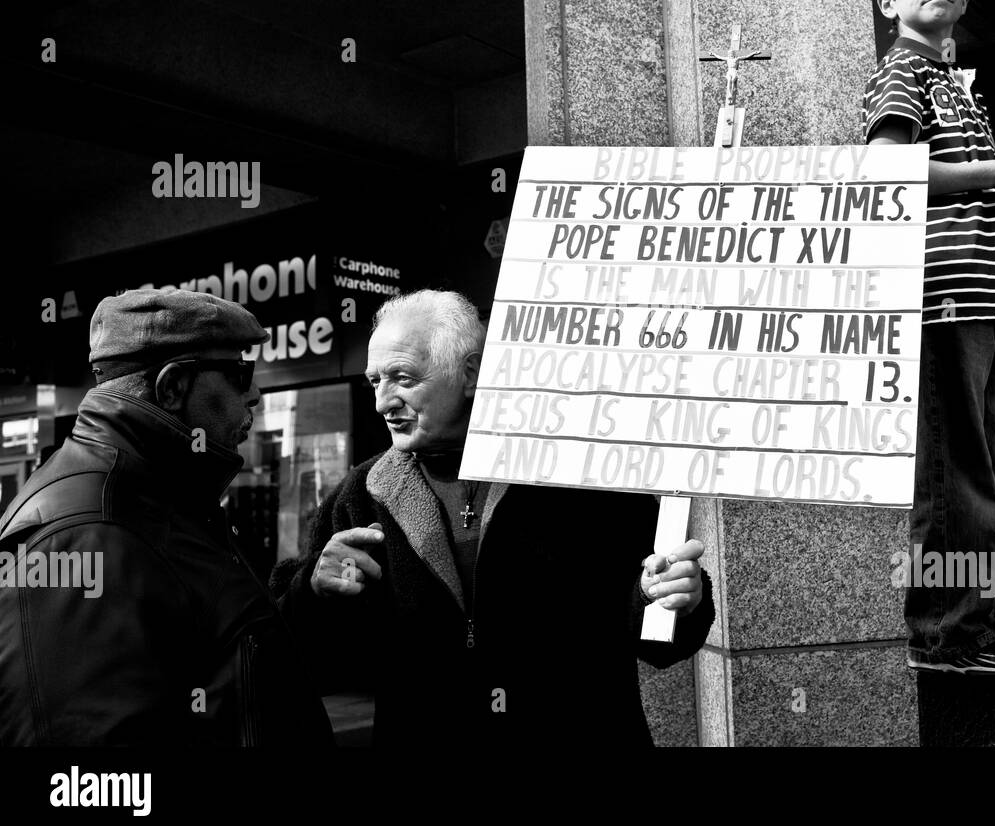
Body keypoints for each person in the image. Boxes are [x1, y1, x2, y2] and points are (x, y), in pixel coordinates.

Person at [273, 290, 715, 746]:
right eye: (374, 381)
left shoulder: (582, 477)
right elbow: (309, 659)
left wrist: (667, 597)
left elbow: (663, 645)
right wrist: (313, 591)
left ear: (470, 374)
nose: (383, 402)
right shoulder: (360, 497)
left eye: (402, 378)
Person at [0, 289, 332, 745]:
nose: (255, 394)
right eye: (240, 373)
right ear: (172, 387)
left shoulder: (160, 494)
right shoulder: (86, 532)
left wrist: (308, 599)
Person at [861, 0, 995, 672]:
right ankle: (946, 636)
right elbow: (883, 170)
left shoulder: (949, 82)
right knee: (954, 479)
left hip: (978, 302)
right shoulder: (902, 72)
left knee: (978, 477)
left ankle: (968, 631)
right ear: (888, 3)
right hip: (942, 301)